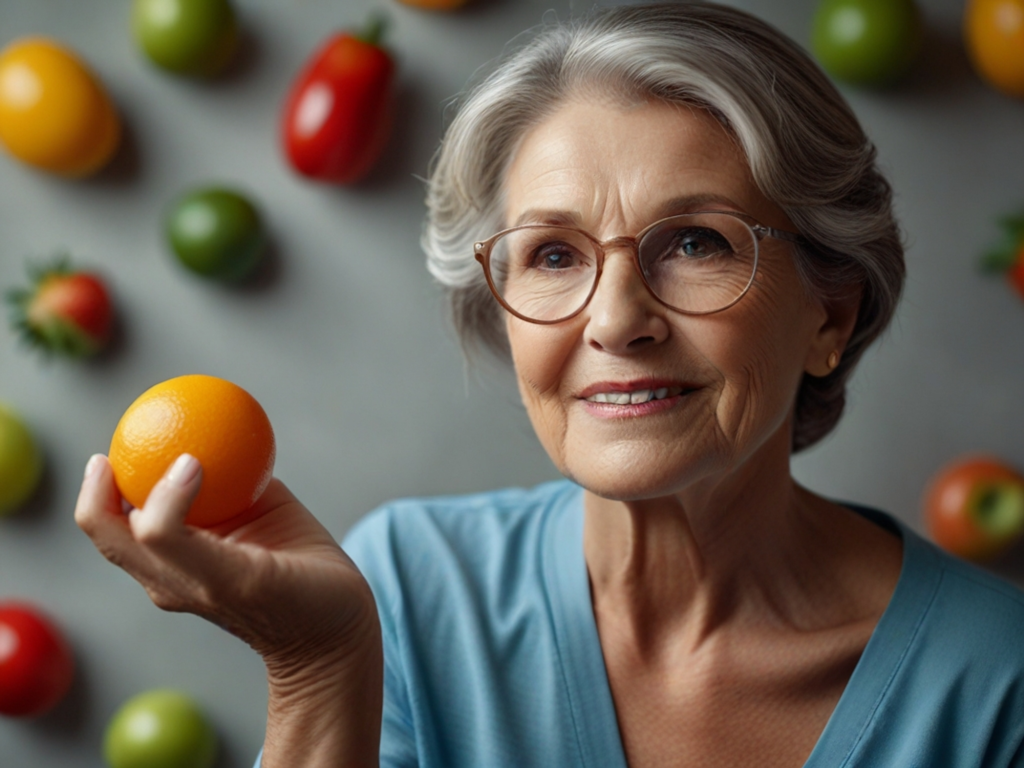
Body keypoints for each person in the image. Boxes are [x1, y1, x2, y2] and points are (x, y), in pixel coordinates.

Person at [75, 3, 1024, 767]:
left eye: (696, 242)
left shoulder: (999, 684)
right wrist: (319, 667)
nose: (615, 319)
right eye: (554, 255)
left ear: (829, 314)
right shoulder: (407, 588)